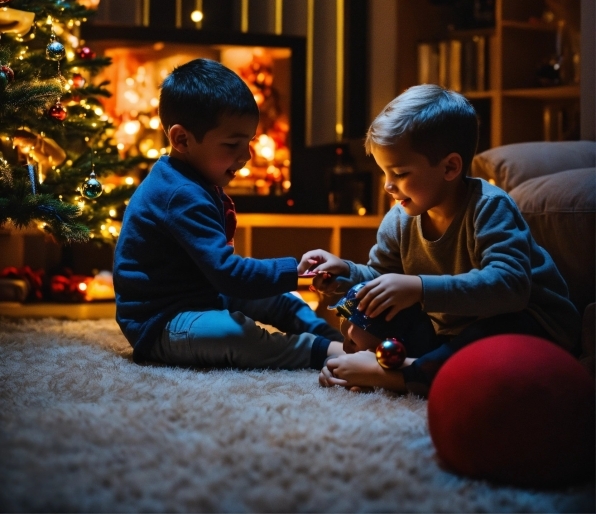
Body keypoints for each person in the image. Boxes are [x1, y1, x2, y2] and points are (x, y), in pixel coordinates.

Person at [299, 84, 581, 395]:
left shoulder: (489, 208)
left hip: (530, 325)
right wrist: (345, 273)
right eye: (384, 173)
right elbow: (382, 278)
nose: (388, 187)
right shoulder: (400, 218)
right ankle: (404, 365)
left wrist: (418, 288)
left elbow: (510, 287)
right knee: (375, 314)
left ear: (450, 167)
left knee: (492, 332)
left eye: (400, 173)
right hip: (452, 328)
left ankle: (403, 374)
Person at [113, 58, 343, 370]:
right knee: (232, 333)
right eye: (233, 144)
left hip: (203, 295)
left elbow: (223, 277)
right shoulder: (180, 194)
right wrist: (294, 270)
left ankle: (336, 341)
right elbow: (228, 275)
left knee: (281, 300)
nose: (246, 156)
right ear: (182, 139)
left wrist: (285, 280)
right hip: (160, 322)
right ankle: (323, 352)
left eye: (248, 142)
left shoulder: (194, 180)